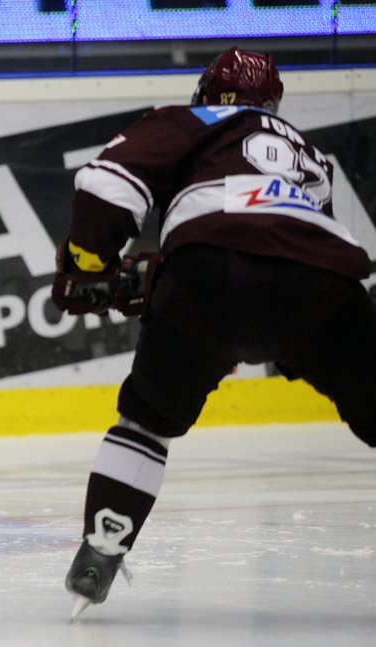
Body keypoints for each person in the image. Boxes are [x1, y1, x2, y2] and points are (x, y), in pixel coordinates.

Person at [50, 47, 376, 618]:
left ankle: (99, 551)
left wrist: (92, 264)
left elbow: (105, 185)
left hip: (207, 271)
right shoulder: (310, 156)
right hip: (325, 282)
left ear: (205, 93)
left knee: (147, 421)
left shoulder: (190, 119)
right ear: (273, 104)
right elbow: (284, 251)